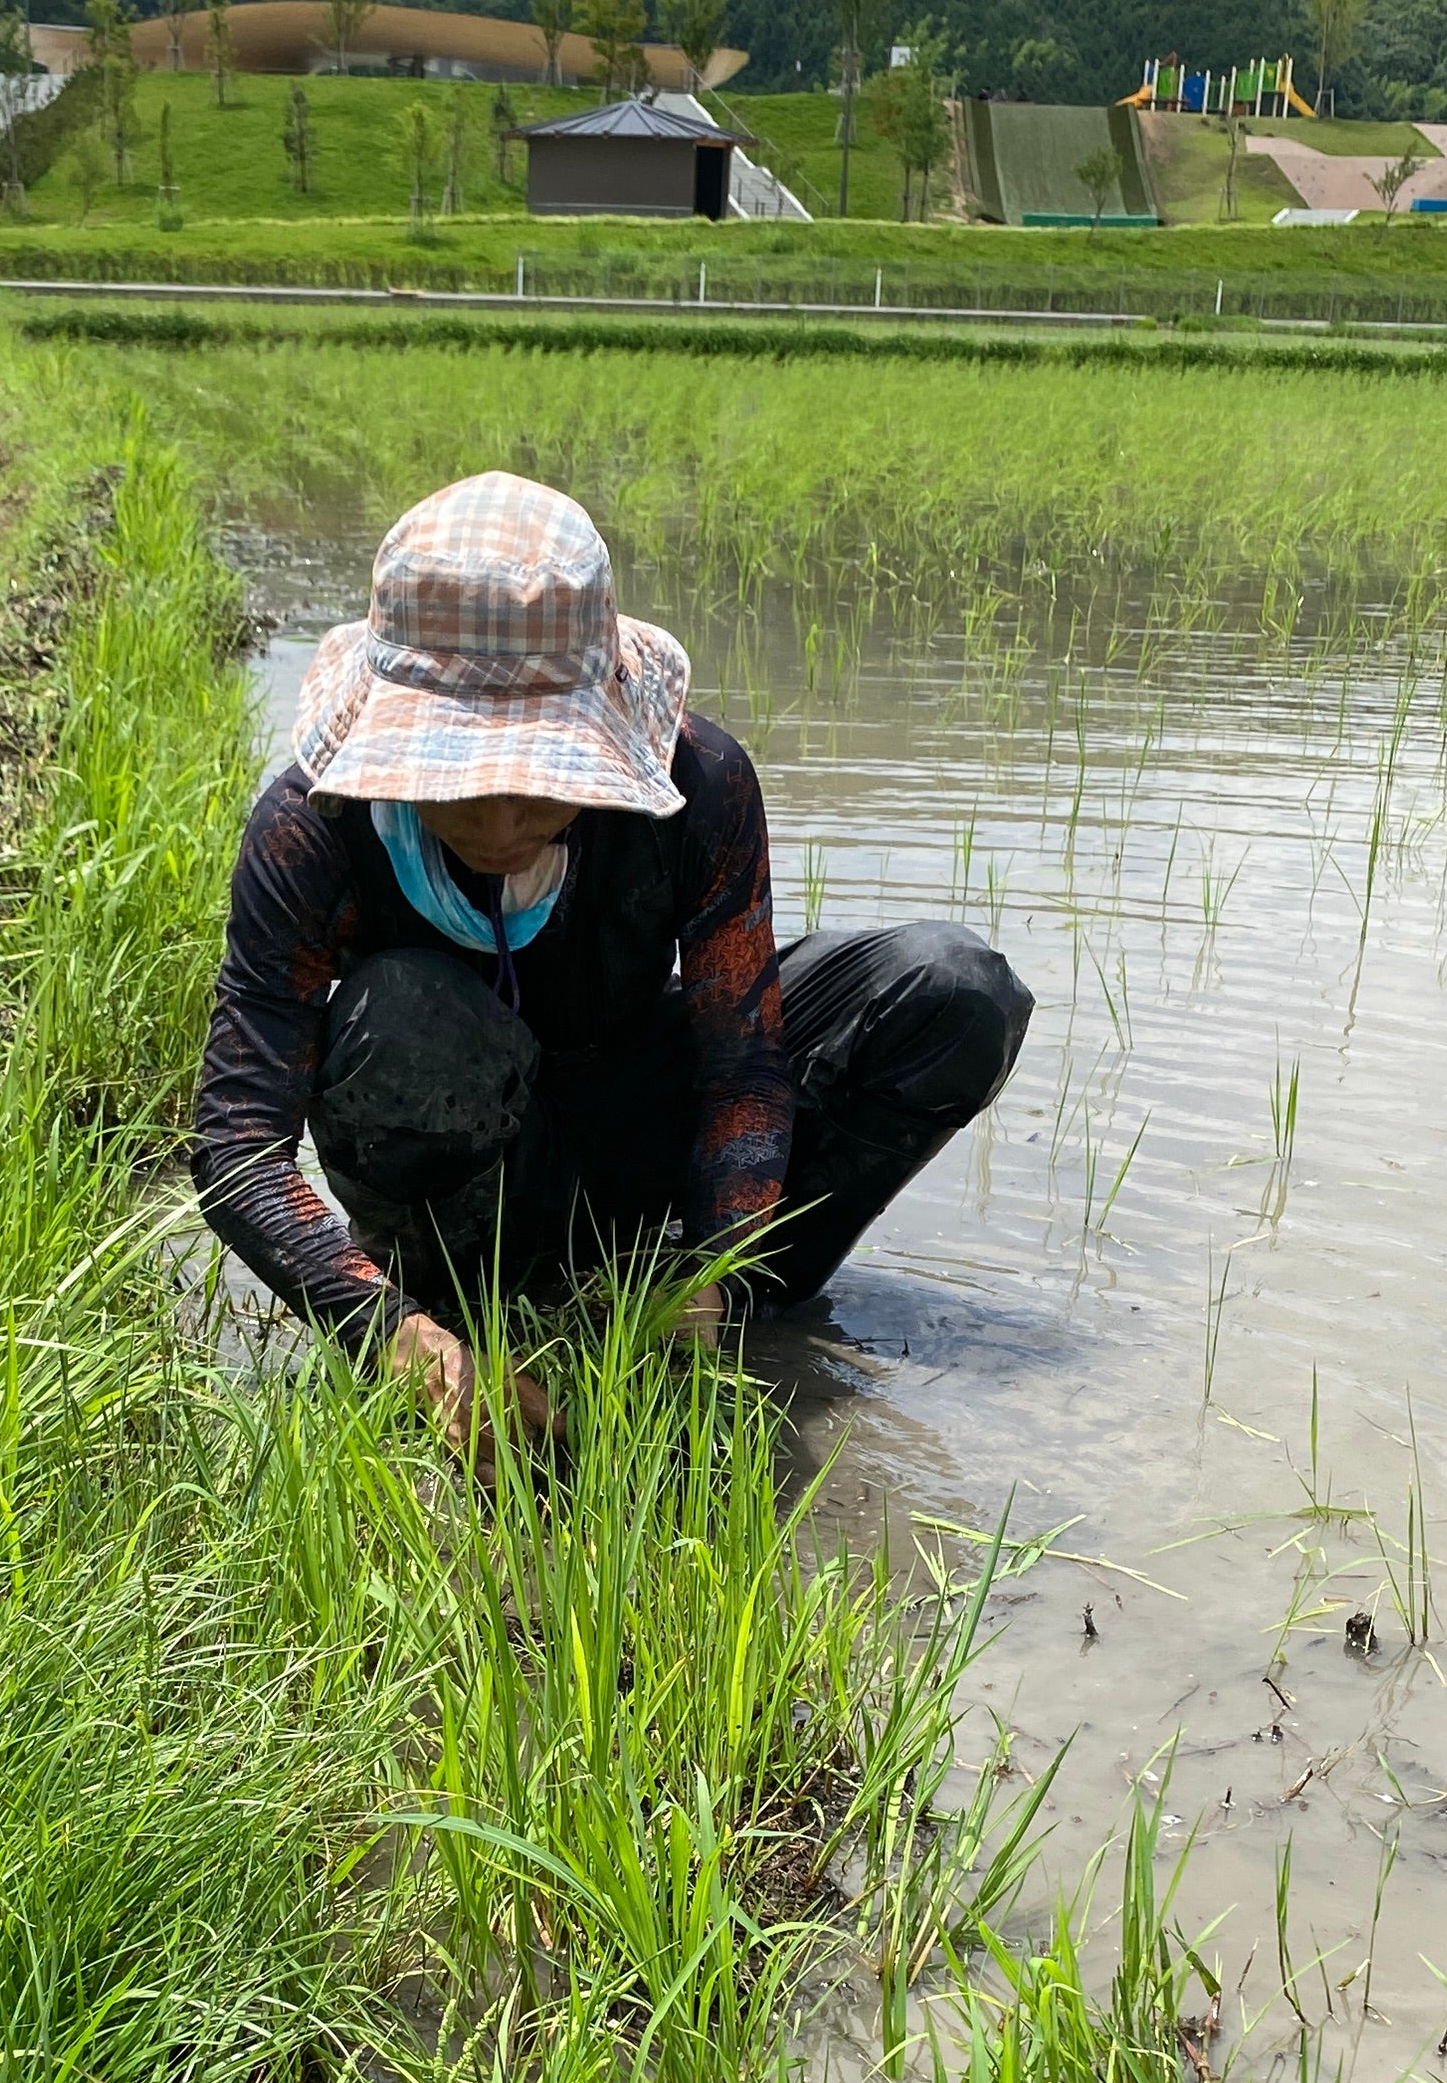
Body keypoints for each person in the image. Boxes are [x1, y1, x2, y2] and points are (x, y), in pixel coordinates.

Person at [194, 470, 1031, 1440]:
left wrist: (718, 1260)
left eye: (538, 780)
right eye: (461, 781)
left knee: (951, 993)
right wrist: (391, 1330)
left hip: (626, 1116)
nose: (503, 821)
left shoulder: (698, 789)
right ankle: (467, 1307)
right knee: (406, 1010)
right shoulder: (314, 832)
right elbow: (236, 1150)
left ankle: (713, 1305)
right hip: (454, 1166)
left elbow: (743, 1062)